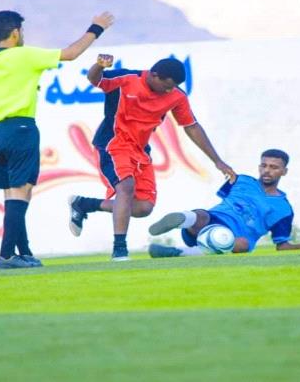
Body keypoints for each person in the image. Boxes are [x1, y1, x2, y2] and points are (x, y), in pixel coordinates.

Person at [0, 10, 114, 269]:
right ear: (15, 32)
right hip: (20, 128)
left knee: (13, 194)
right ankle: (6, 256)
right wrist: (97, 28)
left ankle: (24, 252)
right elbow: (71, 53)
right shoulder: (23, 55)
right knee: (21, 192)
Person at [68, 55, 235, 261]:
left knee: (143, 208)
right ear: (154, 75)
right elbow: (95, 79)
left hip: (140, 151)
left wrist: (217, 160)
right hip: (113, 144)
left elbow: (191, 126)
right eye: (167, 86)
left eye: (173, 87)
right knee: (125, 187)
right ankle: (120, 250)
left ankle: (84, 204)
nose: (169, 91)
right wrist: (99, 66)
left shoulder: (176, 95)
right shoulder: (126, 79)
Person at [147, 149, 300, 258]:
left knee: (240, 243)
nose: (267, 170)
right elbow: (223, 197)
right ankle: (181, 219)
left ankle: (175, 252)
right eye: (264, 165)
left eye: (274, 167)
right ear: (259, 166)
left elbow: (282, 245)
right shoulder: (240, 180)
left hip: (233, 237)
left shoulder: (284, 210)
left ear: (284, 171)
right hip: (208, 222)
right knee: (201, 215)